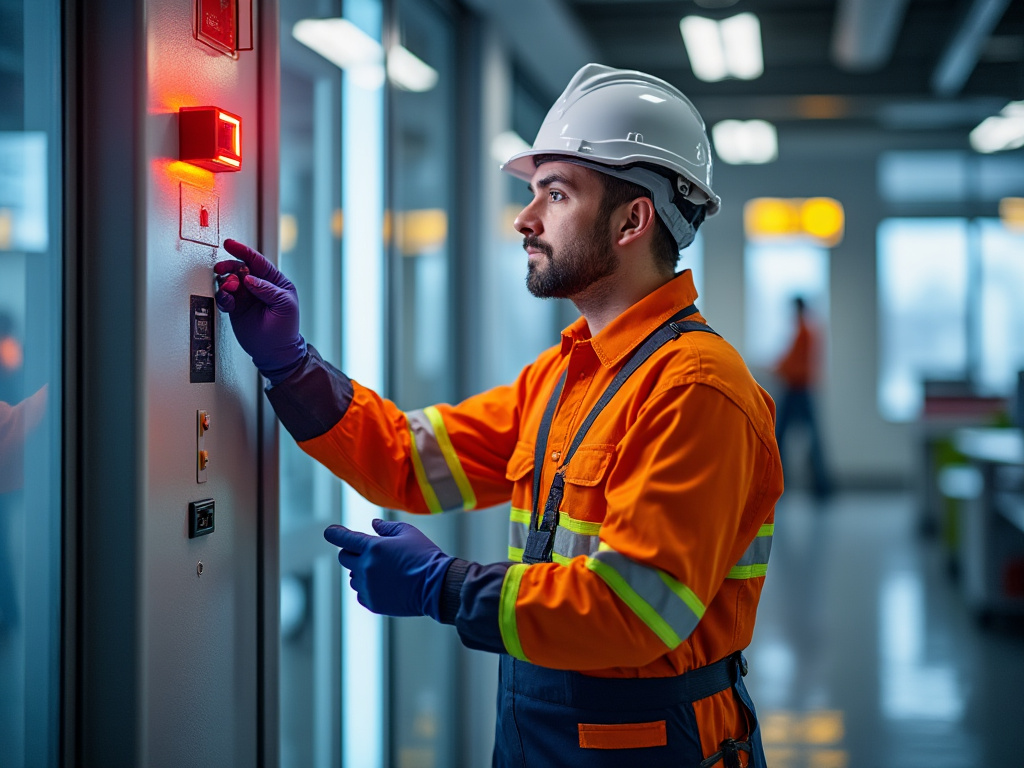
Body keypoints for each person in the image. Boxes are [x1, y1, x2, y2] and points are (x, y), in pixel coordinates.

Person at [216, 63, 782, 768]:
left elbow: (633, 608)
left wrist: (445, 587)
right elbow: (408, 463)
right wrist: (292, 367)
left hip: (656, 745)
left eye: (555, 193)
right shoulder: (562, 376)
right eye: (531, 193)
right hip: (537, 730)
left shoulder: (697, 390)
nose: (525, 218)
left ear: (633, 219)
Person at [773, 296, 832, 500]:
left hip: (797, 388)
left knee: (781, 436)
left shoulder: (803, 331)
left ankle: (777, 482)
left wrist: (775, 368)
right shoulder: (806, 329)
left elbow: (792, 362)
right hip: (800, 387)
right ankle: (820, 485)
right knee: (810, 437)